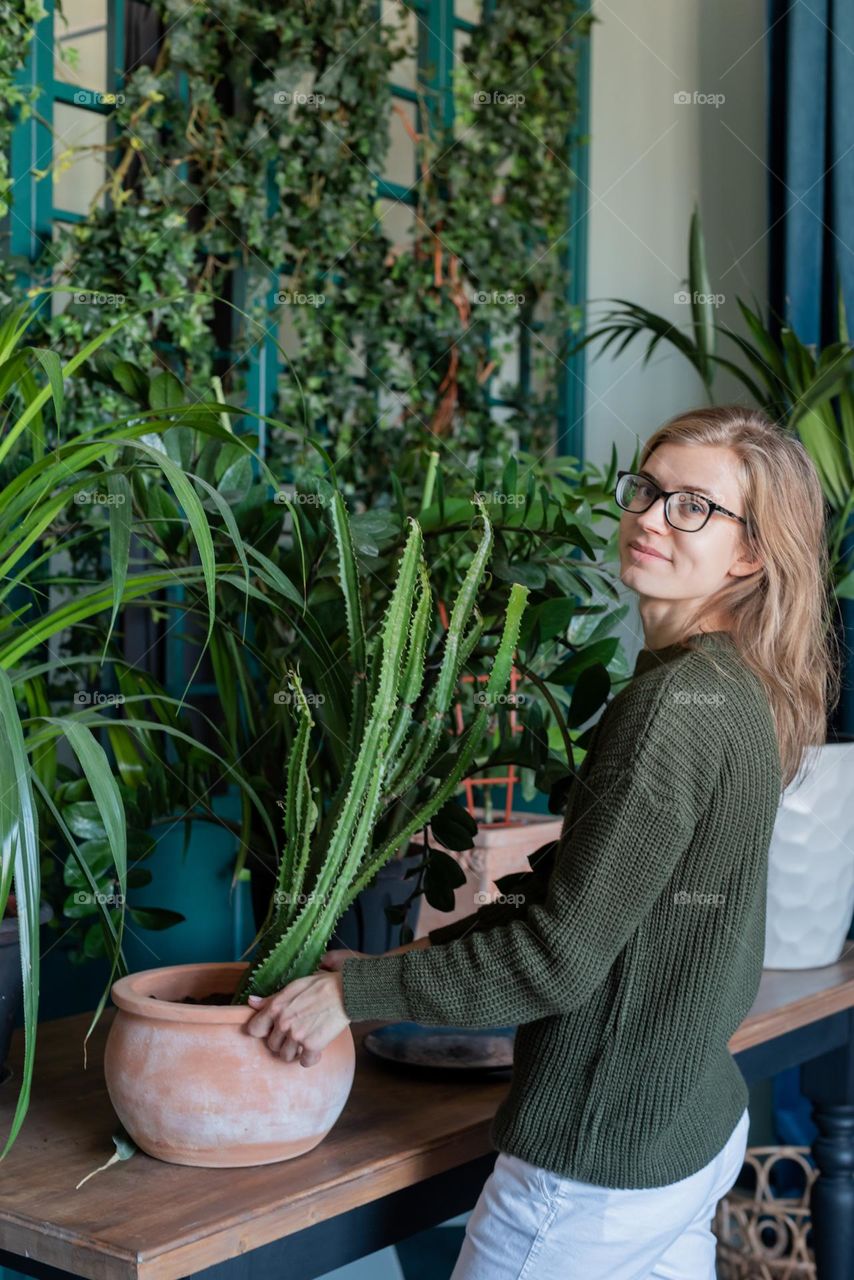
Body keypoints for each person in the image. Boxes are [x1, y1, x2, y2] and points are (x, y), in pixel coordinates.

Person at [246, 405, 839, 1279]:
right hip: (685, 1132)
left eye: (693, 508)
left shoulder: (674, 709)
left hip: (596, 1166)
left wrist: (358, 993)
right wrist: (387, 969)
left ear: (750, 553)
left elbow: (558, 960)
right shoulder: (730, 687)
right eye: (648, 489)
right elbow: (574, 894)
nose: (647, 518)